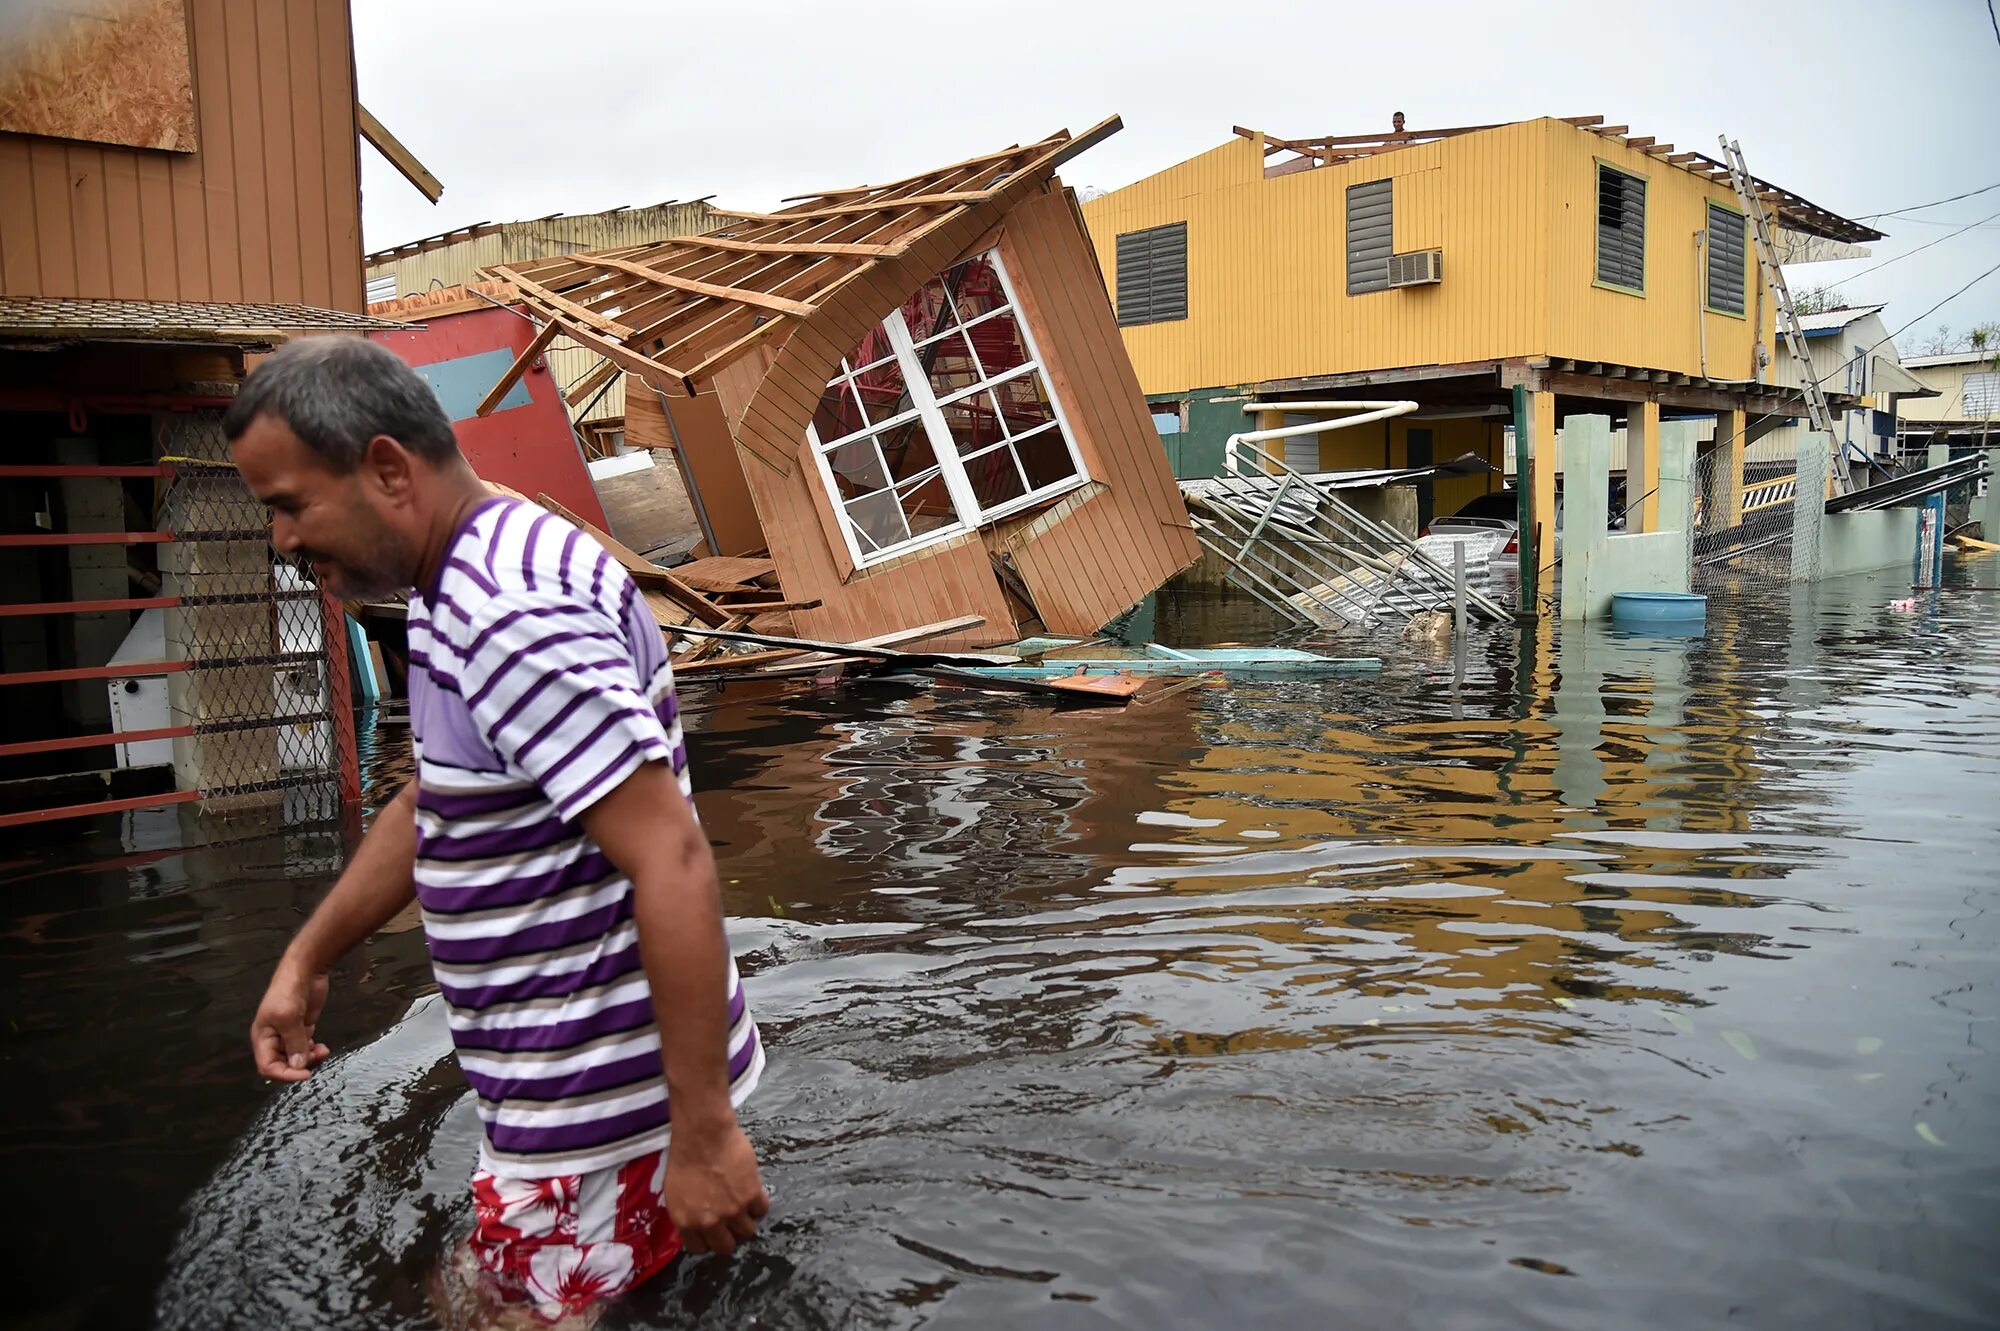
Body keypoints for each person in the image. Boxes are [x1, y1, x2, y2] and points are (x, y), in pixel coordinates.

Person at [235, 336, 767, 1324]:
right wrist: (310, 954)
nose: (280, 540)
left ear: (387, 468)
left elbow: (672, 854)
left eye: (290, 503)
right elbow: (438, 795)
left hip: (593, 1111)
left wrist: (701, 1133)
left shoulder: (506, 614)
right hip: (588, 1090)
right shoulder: (465, 571)